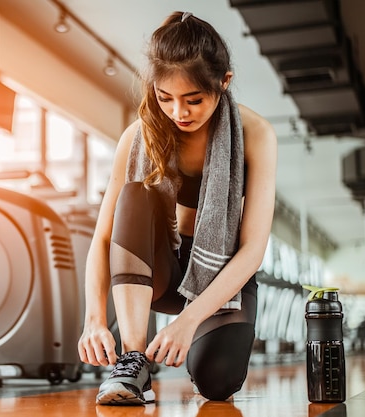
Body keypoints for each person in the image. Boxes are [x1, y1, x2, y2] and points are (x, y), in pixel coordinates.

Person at [77, 11, 277, 405]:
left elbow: (253, 250)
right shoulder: (137, 137)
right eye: (164, 97)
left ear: (224, 83)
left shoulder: (256, 135)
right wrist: (94, 320)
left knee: (218, 384)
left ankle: (202, 349)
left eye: (194, 100)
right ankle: (134, 364)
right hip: (161, 272)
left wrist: (188, 322)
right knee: (133, 195)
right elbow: (103, 238)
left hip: (220, 274)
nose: (179, 113)